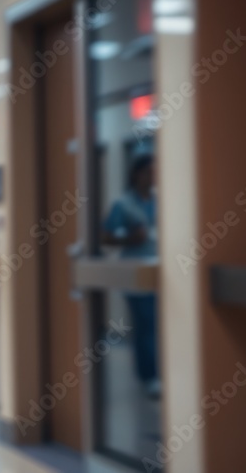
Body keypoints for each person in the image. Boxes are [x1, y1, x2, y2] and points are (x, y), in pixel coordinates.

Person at [102, 153, 159, 397]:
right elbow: (105, 237)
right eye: (149, 172)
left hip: (160, 272)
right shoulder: (123, 204)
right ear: (137, 174)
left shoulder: (161, 200)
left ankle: (160, 373)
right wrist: (129, 239)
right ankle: (150, 377)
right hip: (135, 275)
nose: (153, 176)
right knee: (146, 326)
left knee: (158, 325)